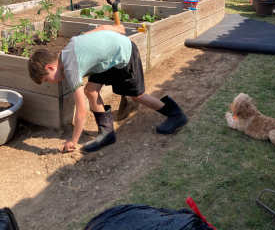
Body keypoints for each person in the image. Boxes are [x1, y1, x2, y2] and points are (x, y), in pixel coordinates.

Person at [28, 24, 187, 153]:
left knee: (137, 96)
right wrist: (119, 29)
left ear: (50, 67)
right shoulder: (71, 44)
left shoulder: (70, 67)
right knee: (90, 90)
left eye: (47, 79)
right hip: (107, 61)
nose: (52, 83)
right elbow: (101, 28)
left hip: (125, 54)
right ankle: (107, 133)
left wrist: (73, 140)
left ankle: (175, 114)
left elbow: (81, 110)